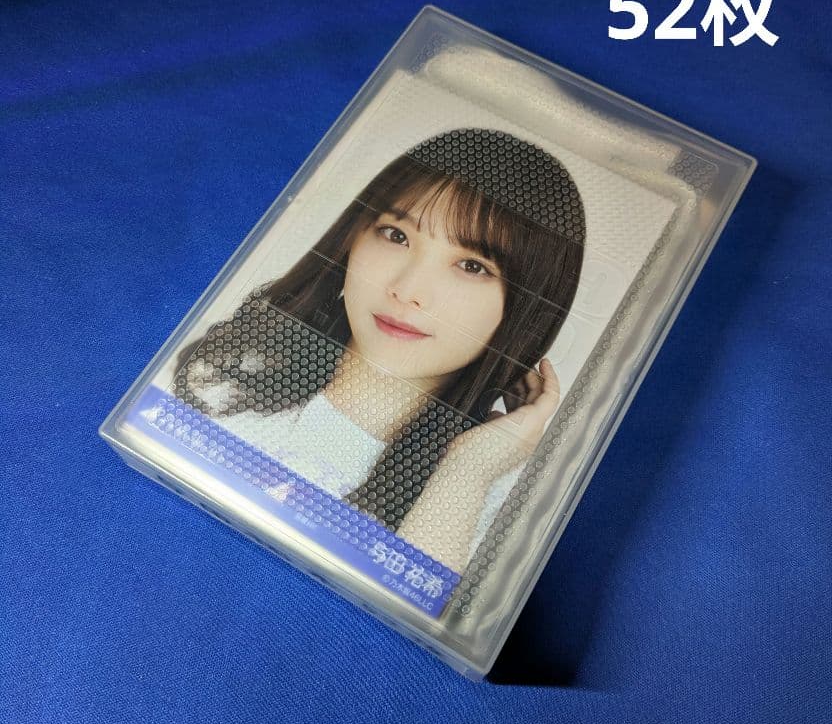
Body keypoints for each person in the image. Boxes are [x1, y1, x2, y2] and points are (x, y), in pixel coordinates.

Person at [172, 128, 585, 573]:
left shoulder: (495, 494)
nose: (408, 290)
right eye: (396, 235)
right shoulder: (228, 371)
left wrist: (466, 472)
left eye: (471, 266)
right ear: (352, 237)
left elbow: (414, 611)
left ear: (527, 310)